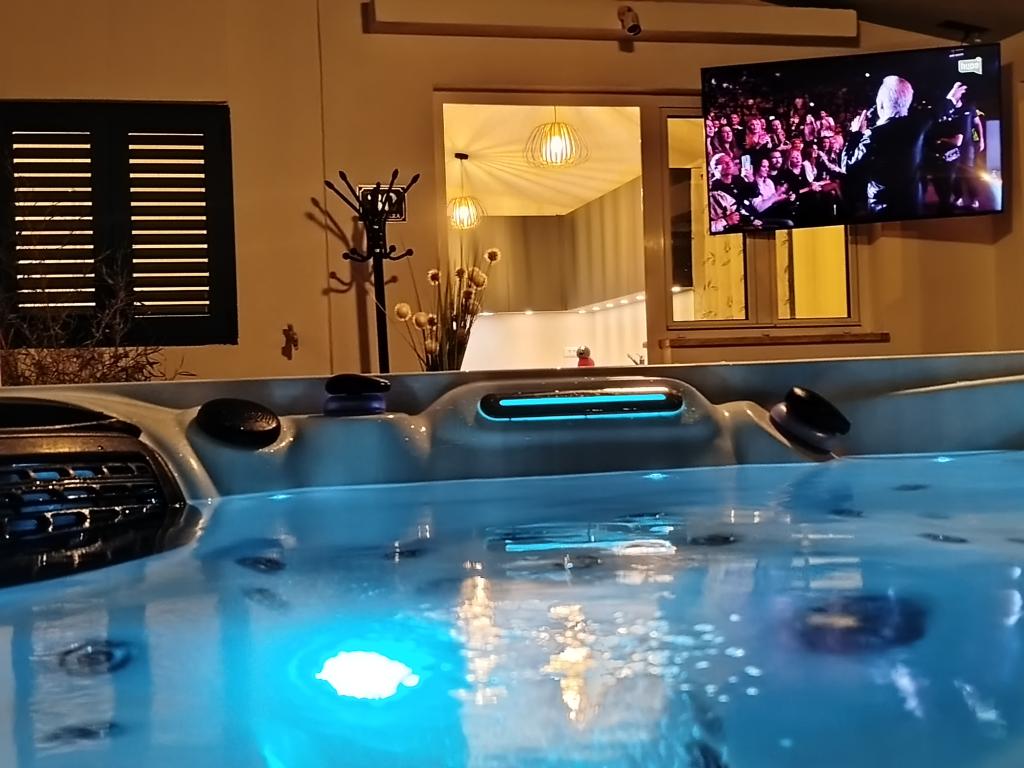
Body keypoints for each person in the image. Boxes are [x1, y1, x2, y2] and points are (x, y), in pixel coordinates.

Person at [841, 75, 926, 219]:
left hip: (884, 209)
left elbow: (847, 166)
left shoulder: (874, 135)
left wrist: (856, 134)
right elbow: (935, 113)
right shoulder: (918, 126)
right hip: (912, 204)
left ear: (881, 104)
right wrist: (950, 101)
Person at [925, 82, 968, 213]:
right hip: (937, 159)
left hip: (951, 158)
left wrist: (942, 140)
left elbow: (958, 141)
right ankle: (945, 204)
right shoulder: (939, 119)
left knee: (948, 183)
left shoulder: (958, 119)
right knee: (938, 182)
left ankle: (949, 205)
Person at [708, 153, 758, 232]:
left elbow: (755, 194)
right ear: (716, 168)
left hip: (752, 218)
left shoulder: (738, 179)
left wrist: (751, 180)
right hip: (735, 225)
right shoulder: (713, 187)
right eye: (724, 162)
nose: (729, 164)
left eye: (730, 161)